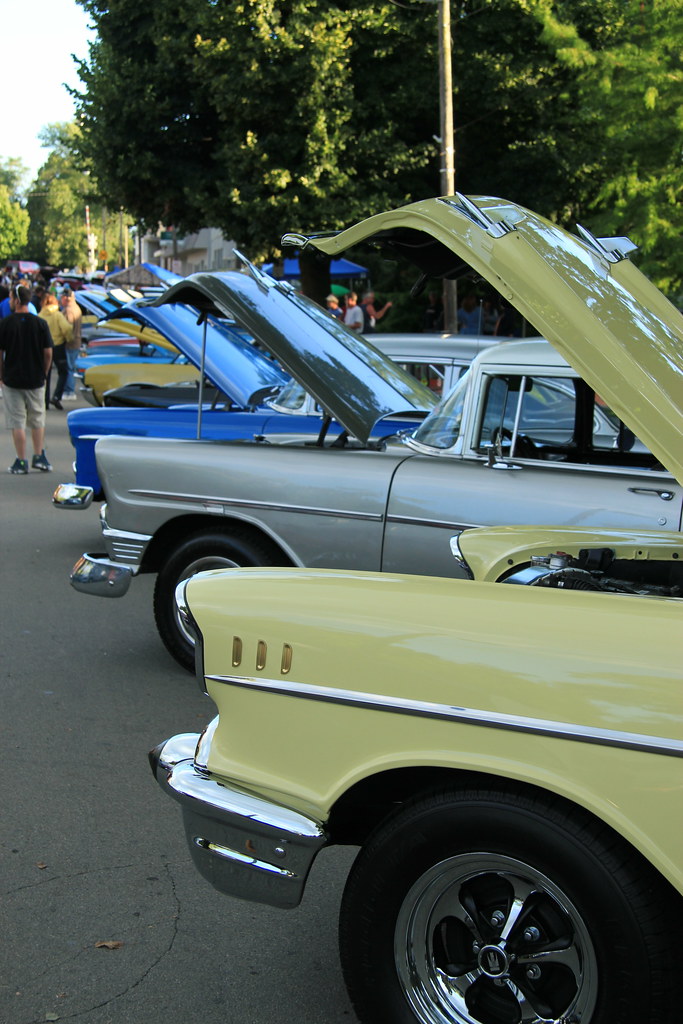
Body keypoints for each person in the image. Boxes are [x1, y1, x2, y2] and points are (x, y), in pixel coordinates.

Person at [0, 283, 53, 473]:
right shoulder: (40, 323)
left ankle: (21, 460)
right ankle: (39, 456)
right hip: (36, 378)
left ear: (15, 300)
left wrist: (2, 375)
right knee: (37, 418)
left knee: (17, 421)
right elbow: (48, 352)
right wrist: (44, 372)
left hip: (12, 378)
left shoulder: (5, 324)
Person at [39, 293, 72, 409]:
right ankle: (57, 395)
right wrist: (68, 339)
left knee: (45, 373)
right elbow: (67, 328)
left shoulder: (40, 316)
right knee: (63, 372)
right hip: (58, 346)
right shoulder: (57, 315)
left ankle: (45, 400)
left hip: (43, 347)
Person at [60, 288, 83, 399]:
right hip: (76, 341)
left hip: (70, 342)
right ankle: (70, 390)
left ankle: (69, 391)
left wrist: (65, 340)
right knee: (71, 367)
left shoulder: (69, 310)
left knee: (69, 368)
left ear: (66, 298)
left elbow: (68, 328)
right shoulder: (76, 308)